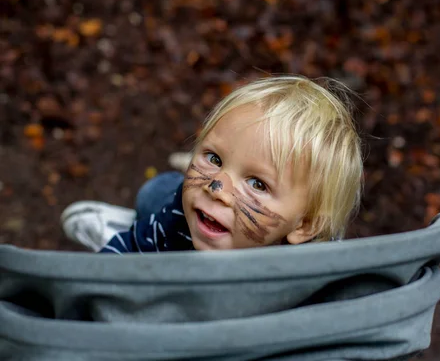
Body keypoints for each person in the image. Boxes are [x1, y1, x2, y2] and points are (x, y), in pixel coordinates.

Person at [61, 75, 363, 253]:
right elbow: (114, 262)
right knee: (155, 193)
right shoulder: (183, 212)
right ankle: (140, 226)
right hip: (175, 222)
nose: (216, 187)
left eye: (257, 183)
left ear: (304, 225)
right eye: (214, 158)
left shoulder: (310, 275)